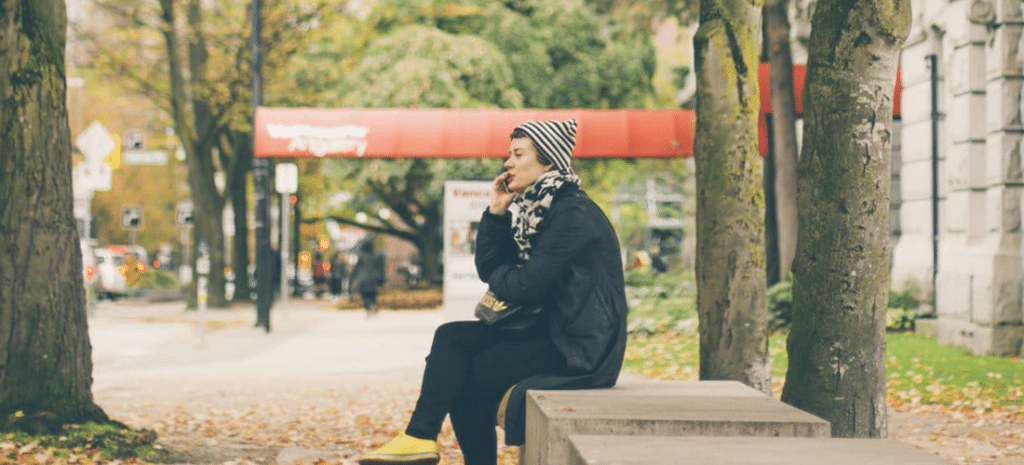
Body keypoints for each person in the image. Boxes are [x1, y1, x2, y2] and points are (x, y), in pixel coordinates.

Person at [357, 119, 629, 465]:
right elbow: (492, 271)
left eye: (518, 154)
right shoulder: (538, 209)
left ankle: (425, 439)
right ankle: (420, 436)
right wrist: (498, 211)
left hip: (579, 347)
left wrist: (507, 275)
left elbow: (525, 286)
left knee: (465, 377)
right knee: (450, 337)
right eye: (509, 154)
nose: (508, 163)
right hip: (549, 330)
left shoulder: (572, 214)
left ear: (547, 161)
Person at [350, 240, 385, 314]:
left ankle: (368, 307)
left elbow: (355, 269)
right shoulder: (375, 256)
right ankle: (373, 305)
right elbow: (380, 269)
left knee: (364, 295)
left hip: (363, 279)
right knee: (373, 294)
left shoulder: (361, 257)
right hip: (373, 279)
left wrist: (352, 278)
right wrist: (381, 281)